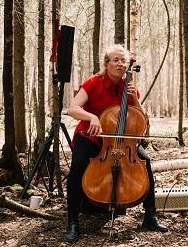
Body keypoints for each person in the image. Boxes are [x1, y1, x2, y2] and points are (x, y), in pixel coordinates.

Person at [65, 44, 167, 243]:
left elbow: (141, 118)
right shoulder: (93, 82)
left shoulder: (129, 86)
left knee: (144, 162)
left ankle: (150, 215)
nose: (120, 64)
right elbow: (73, 109)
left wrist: (134, 100)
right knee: (78, 165)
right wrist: (92, 117)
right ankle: (72, 220)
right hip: (92, 136)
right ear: (106, 64)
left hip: (122, 140)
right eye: (116, 60)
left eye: (123, 61)